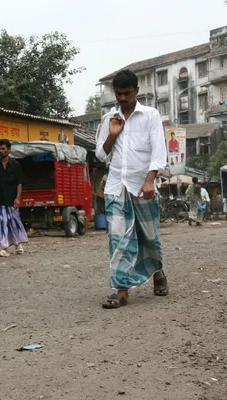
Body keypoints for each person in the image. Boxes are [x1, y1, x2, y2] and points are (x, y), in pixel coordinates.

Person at [95, 70, 168, 309]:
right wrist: (113, 134)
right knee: (118, 237)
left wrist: (149, 181)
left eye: (127, 93)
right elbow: (101, 154)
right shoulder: (109, 119)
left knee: (148, 235)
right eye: (119, 94)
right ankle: (121, 288)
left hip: (142, 185)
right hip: (116, 185)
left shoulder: (151, 116)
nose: (123, 98)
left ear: (137, 90)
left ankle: (157, 271)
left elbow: (158, 153)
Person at [0, 138, 28, 257]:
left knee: (13, 222)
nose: (1, 151)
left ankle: (18, 244)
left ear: (8, 150)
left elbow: (19, 183)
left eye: (3, 149)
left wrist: (18, 198)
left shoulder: (15, 165)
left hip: (12, 199)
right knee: (1, 223)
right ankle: (4, 248)